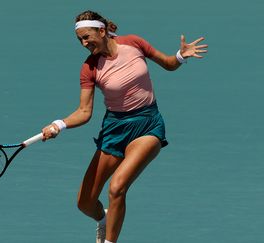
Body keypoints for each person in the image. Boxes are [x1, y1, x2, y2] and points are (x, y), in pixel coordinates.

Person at [41, 10, 208, 243]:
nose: (84, 43)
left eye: (87, 37)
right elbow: (84, 112)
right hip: (114, 129)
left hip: (147, 125)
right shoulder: (89, 68)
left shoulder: (134, 43)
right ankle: (104, 219)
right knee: (85, 203)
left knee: (117, 187)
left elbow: (168, 64)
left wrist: (180, 55)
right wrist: (58, 125)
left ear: (102, 31)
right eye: (80, 39)